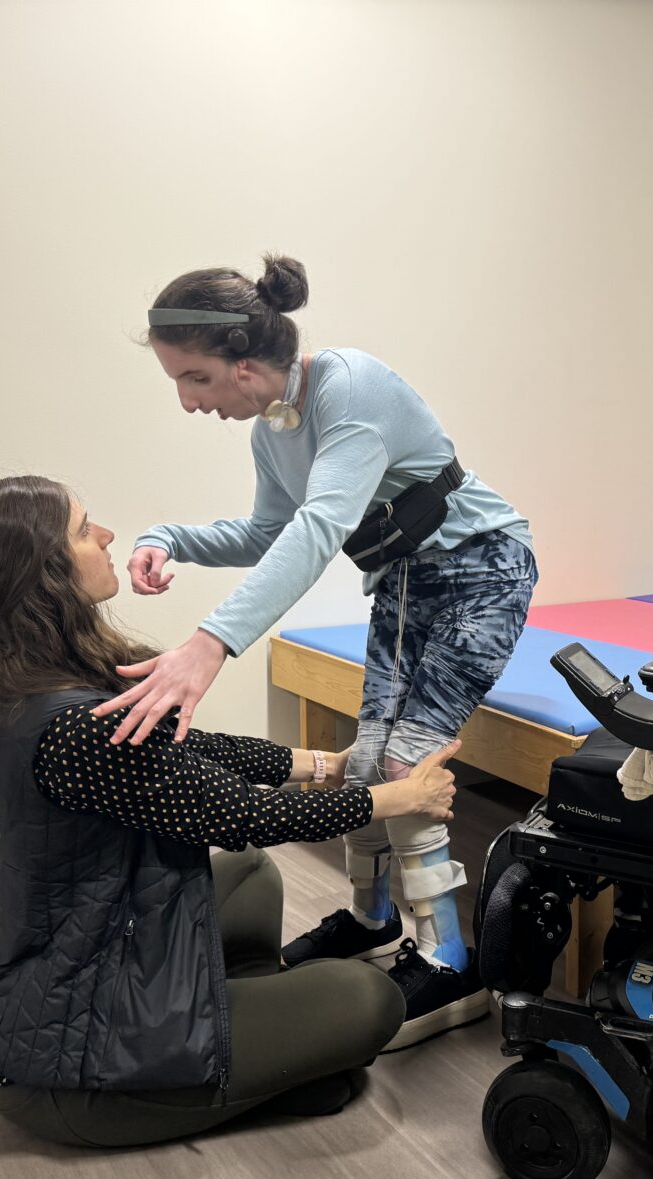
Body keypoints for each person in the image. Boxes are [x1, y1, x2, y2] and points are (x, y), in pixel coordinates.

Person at [0, 474, 460, 1147]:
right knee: (370, 1000)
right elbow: (243, 815)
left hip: (68, 963)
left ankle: (250, 1033)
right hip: (65, 1071)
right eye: (83, 527)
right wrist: (398, 798)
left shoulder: (20, 674)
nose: (106, 536)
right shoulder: (73, 725)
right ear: (43, 573)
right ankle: (229, 1063)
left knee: (249, 875)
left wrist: (326, 764)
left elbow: (192, 750)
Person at [97, 254, 536, 1047]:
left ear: (243, 364)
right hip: (404, 584)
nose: (189, 402)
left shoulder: (348, 387)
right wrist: (170, 538)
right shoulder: (275, 430)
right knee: (365, 763)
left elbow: (317, 531)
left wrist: (211, 644)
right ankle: (371, 921)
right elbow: (267, 533)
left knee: (407, 764)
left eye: (193, 379)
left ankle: (449, 961)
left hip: (483, 574)